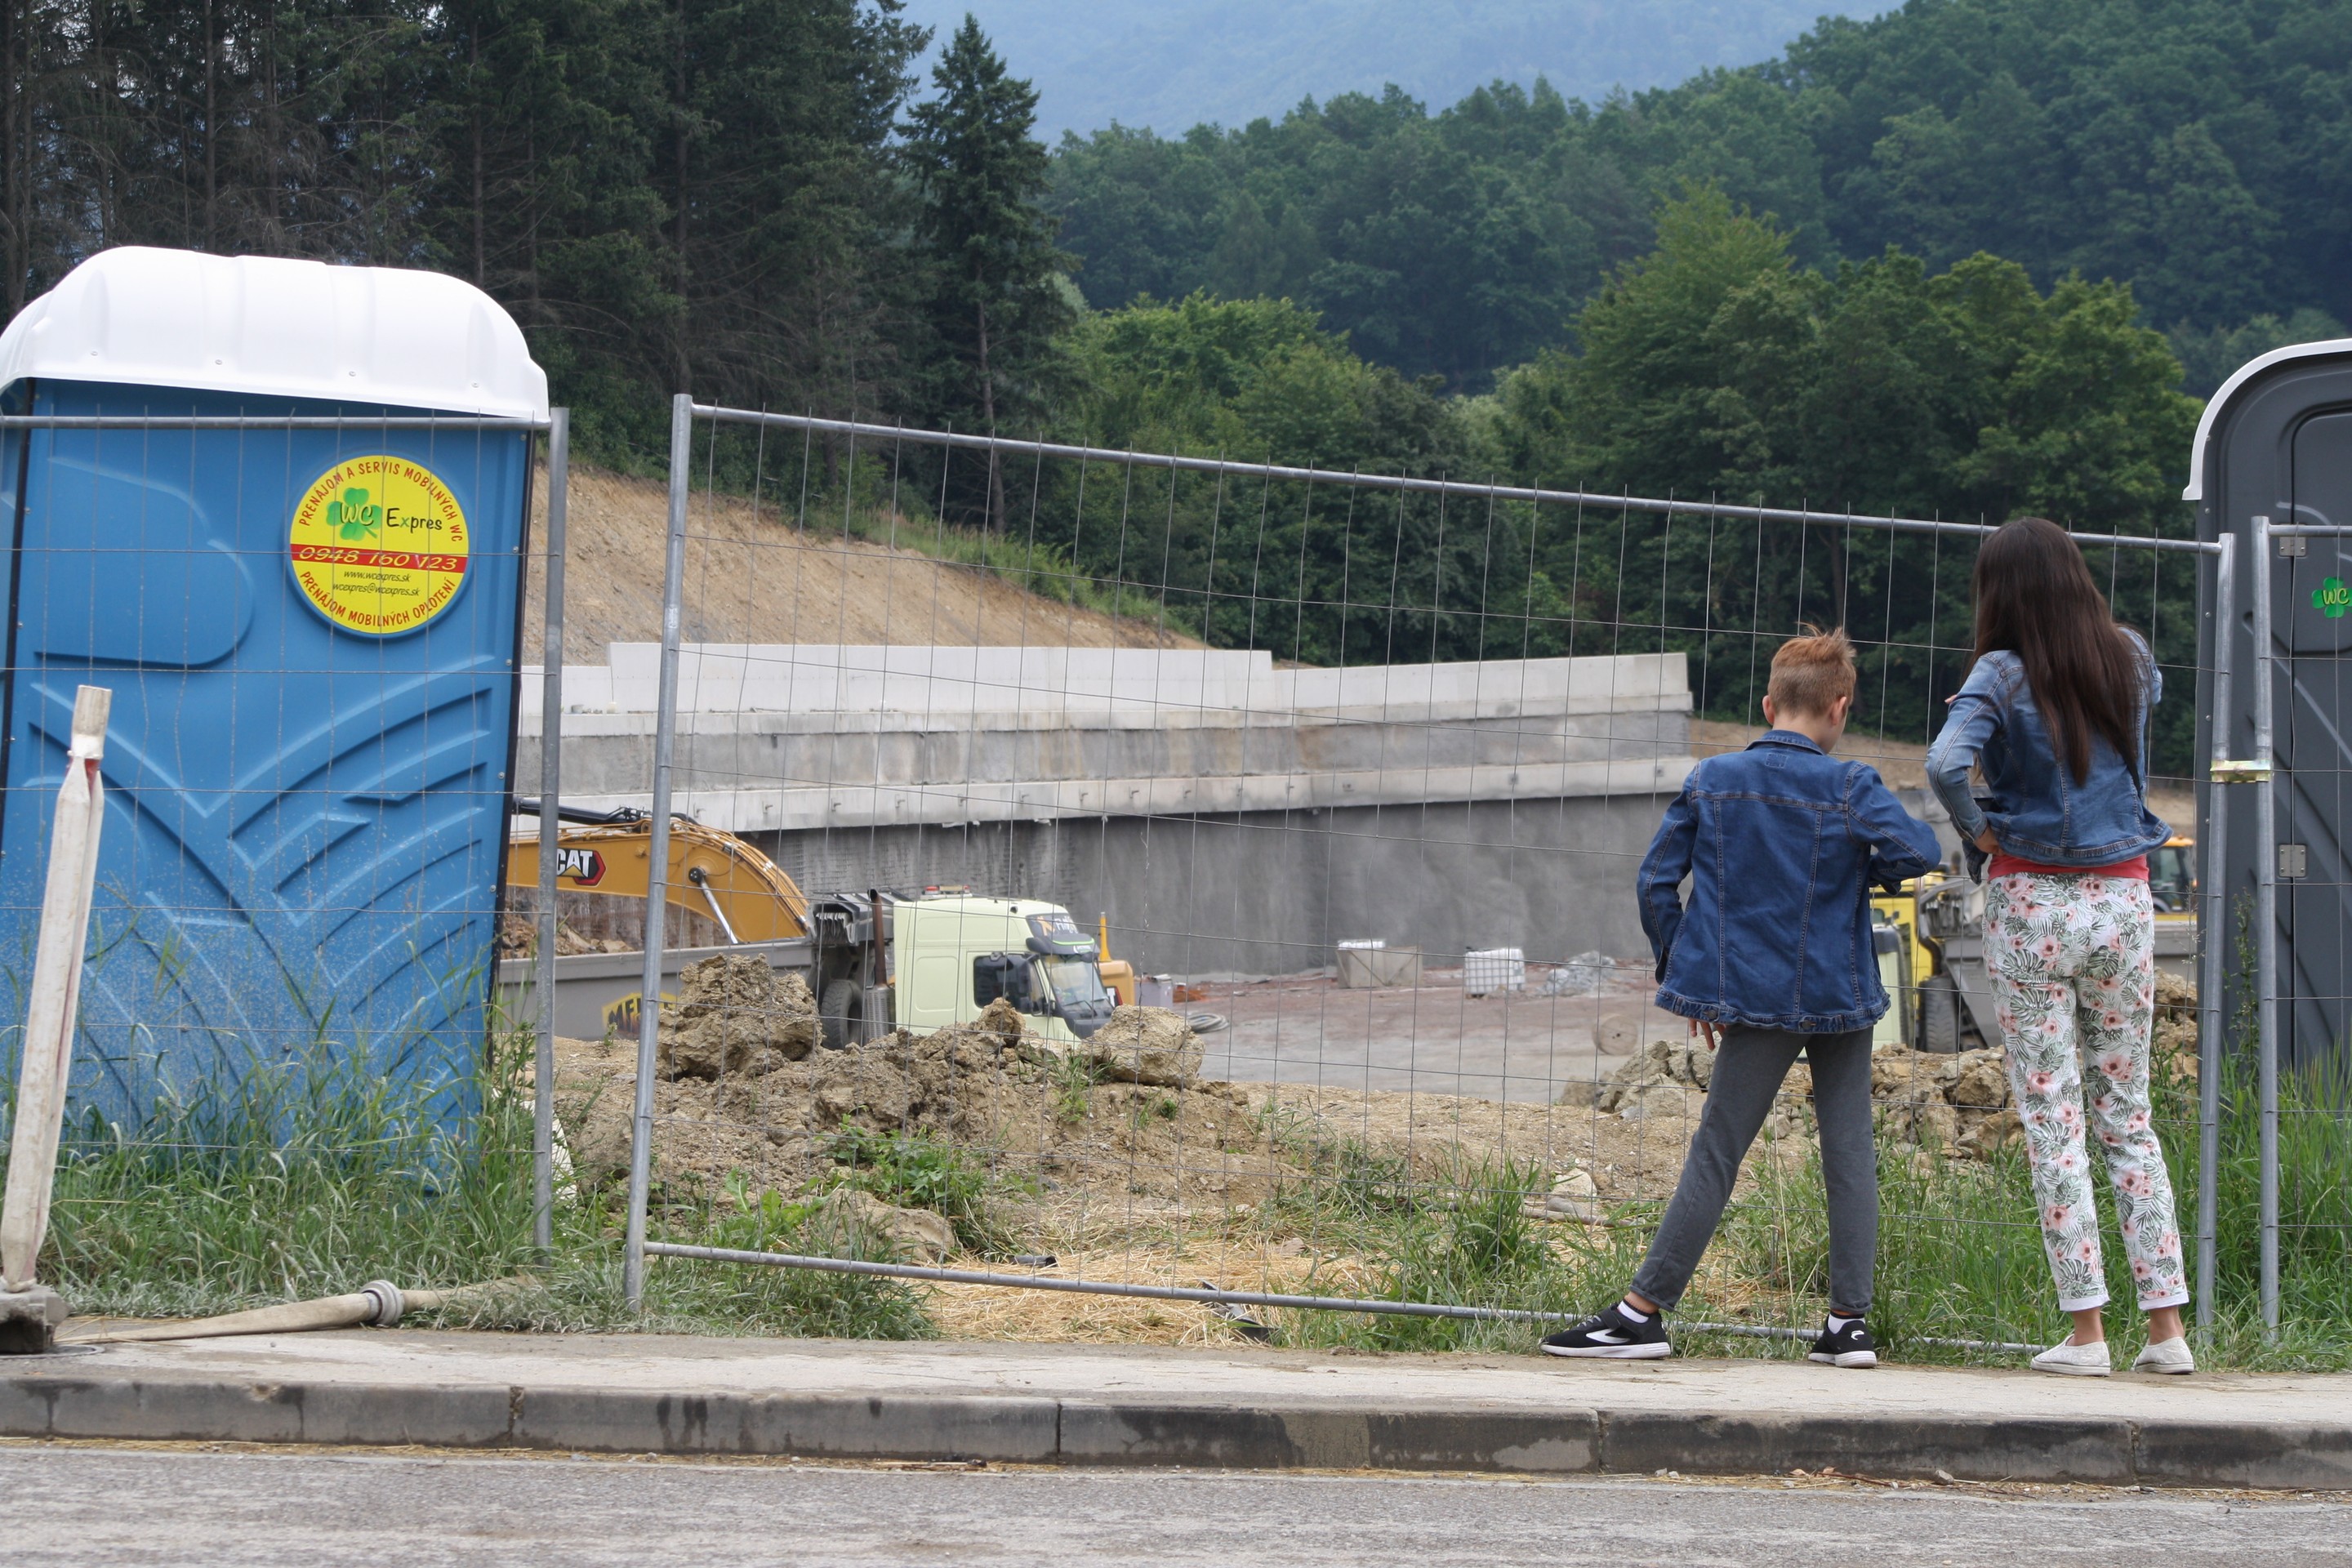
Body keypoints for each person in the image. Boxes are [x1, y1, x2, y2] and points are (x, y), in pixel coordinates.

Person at [1544, 627, 1941, 1366]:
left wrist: (1690, 978)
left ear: (1768, 703)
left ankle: (1641, 1315)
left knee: (1718, 1152)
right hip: (1842, 995)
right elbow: (1921, 854)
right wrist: (1864, 874)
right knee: (1849, 1151)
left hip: (1749, 1000)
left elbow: (1655, 884)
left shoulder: (1713, 779)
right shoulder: (1852, 785)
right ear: (1841, 709)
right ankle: (1848, 1325)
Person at [1925, 516, 2193, 1376]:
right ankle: (2169, 1335)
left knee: (2054, 1117)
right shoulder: (2133, 656)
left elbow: (1941, 765)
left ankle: (2086, 1336)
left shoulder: (1999, 672)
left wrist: (1982, 834)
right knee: (2130, 1117)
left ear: (1999, 590)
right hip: (2122, 896)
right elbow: (2136, 768)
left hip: (2031, 899)